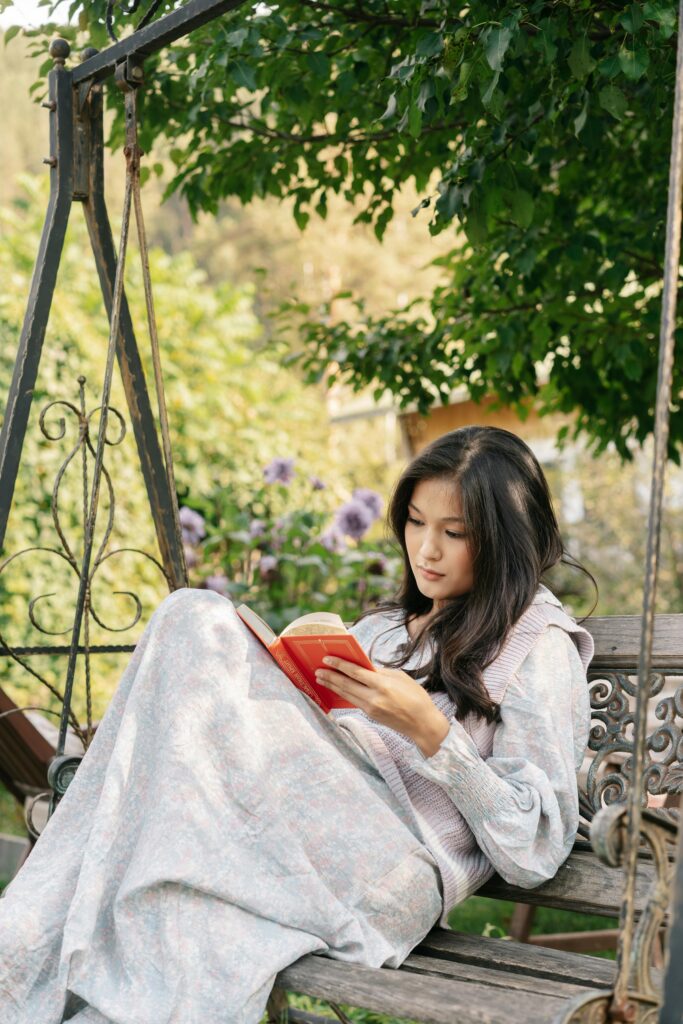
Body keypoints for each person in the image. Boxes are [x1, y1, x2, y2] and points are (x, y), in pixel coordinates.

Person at [0, 425, 595, 1024]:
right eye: (415, 523)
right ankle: (31, 970)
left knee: (196, 622)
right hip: (297, 830)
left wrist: (433, 735)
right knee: (189, 629)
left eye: (455, 533)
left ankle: (24, 972)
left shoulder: (536, 644)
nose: (426, 551)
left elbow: (536, 845)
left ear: (504, 539)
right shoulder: (386, 630)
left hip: (385, 865)